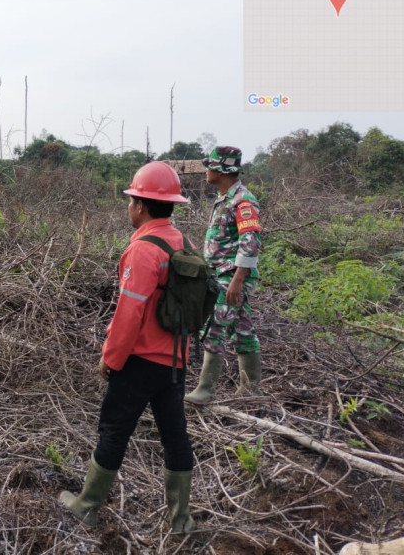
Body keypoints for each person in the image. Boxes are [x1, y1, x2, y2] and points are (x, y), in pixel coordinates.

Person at [60, 162, 195, 533]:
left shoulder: (143, 250)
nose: (129, 207)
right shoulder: (182, 241)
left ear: (141, 205)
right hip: (175, 361)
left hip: (140, 361)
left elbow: (128, 314)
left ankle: (87, 505)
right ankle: (181, 520)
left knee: (114, 429)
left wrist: (110, 358)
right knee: (175, 434)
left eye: (132, 200)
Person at [184, 146, 262, 405]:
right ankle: (250, 391)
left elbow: (250, 242)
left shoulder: (243, 200)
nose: (206, 170)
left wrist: (238, 281)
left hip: (233, 275)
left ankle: (205, 390)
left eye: (210, 166)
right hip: (221, 274)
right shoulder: (224, 197)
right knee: (243, 330)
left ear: (221, 170)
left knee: (216, 325)